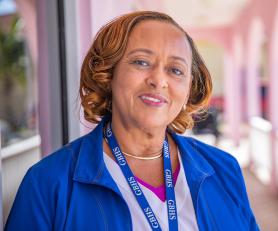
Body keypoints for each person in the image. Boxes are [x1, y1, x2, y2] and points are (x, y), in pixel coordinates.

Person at [5, 11, 259, 231]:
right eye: (141, 62)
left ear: (187, 90)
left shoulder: (224, 169)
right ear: (108, 74)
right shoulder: (48, 183)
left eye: (175, 70)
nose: (159, 80)